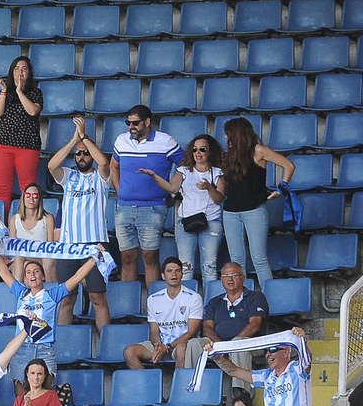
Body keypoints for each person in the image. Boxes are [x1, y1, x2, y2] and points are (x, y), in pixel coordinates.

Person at [0, 245, 100, 388]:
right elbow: (5, 274)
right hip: (21, 348)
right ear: (25, 278)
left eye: (36, 271)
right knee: (20, 395)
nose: (33, 275)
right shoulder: (20, 293)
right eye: (29, 272)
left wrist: (94, 259)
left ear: (43, 276)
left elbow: (76, 277)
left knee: (45, 395)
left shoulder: (52, 295)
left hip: (45, 349)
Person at [47, 116, 114, 329]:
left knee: (97, 298)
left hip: (95, 246)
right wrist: (73, 141)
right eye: (79, 153)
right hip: (68, 248)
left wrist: (84, 137)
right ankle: (63, 348)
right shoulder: (69, 176)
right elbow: (51, 165)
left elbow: (103, 162)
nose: (82, 156)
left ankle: (107, 342)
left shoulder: (102, 178)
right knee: (66, 299)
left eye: (86, 152)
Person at [220, 116, 297, 283]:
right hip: (230, 212)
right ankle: (241, 302)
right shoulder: (230, 155)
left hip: (254, 209)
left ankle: (268, 302)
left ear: (237, 134)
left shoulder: (259, 150)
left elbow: (289, 165)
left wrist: (281, 187)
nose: (226, 137)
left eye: (228, 133)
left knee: (259, 259)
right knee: (236, 261)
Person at [112, 103, 183, 285]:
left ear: (147, 122)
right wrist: (120, 191)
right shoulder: (121, 140)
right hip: (124, 207)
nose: (131, 127)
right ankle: (128, 307)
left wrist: (172, 190)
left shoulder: (165, 141)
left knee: (150, 257)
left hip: (153, 208)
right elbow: (113, 165)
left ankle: (155, 308)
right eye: (128, 123)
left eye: (135, 123)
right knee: (126, 257)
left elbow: (185, 166)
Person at [212, 328, 311, 406]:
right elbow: (234, 371)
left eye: (273, 349)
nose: (268, 354)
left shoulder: (297, 369)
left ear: (286, 352)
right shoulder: (266, 376)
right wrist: (217, 358)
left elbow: (308, 360)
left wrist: (303, 340)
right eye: (266, 351)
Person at [147, 133, 224, 281]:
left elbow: (218, 198)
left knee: (209, 267)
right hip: (186, 221)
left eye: (202, 149)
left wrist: (209, 187)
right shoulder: (183, 171)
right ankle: (187, 303)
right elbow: (172, 188)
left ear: (210, 152)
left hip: (211, 221)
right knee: (186, 267)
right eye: (194, 149)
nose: (198, 153)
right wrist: (154, 176)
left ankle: (211, 303)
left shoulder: (217, 172)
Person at [123, 257, 203, 370]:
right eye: (169, 271)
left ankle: (178, 386)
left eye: (177, 271)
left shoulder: (194, 298)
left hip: (182, 344)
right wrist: (158, 346)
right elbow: (154, 330)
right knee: (129, 352)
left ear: (182, 274)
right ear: (163, 276)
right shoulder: (153, 299)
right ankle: (148, 386)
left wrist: (167, 347)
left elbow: (191, 332)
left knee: (182, 349)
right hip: (162, 342)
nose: (174, 274)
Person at [190, 262, 267, 371]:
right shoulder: (214, 302)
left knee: (238, 343)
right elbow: (207, 328)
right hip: (218, 344)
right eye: (226, 276)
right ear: (221, 279)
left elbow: (255, 325)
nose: (230, 279)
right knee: (194, 343)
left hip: (248, 343)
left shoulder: (255, 297)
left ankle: (240, 388)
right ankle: (190, 384)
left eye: (234, 275)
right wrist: (220, 345)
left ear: (243, 278)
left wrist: (231, 345)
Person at [0, 55, 43, 211]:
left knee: (28, 189)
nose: (20, 71)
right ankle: (3, 226)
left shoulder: (35, 92)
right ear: (11, 72)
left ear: (29, 73)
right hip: (2, 145)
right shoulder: (4, 92)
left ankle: (28, 225)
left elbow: (33, 111)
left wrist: (20, 91)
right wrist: (4, 92)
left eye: (24, 68)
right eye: (17, 68)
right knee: (3, 188)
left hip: (27, 146)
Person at [7, 182, 57, 282]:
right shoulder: (14, 220)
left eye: (35, 195)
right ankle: (19, 293)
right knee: (23, 261)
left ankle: (51, 291)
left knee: (46, 262)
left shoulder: (48, 218)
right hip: (20, 259)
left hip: (41, 258)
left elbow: (50, 246)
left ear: (39, 199)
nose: (31, 198)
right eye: (28, 195)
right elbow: (12, 249)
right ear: (23, 198)